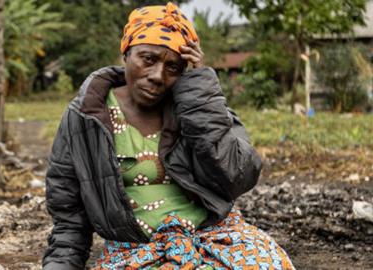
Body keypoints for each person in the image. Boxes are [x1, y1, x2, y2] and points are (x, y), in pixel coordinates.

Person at [43, 3, 295, 270]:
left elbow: (237, 178)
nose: (157, 76)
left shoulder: (199, 106)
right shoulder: (85, 118)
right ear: (126, 53)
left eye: (173, 68)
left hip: (215, 238)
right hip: (136, 251)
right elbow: (68, 215)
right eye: (148, 59)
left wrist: (200, 95)